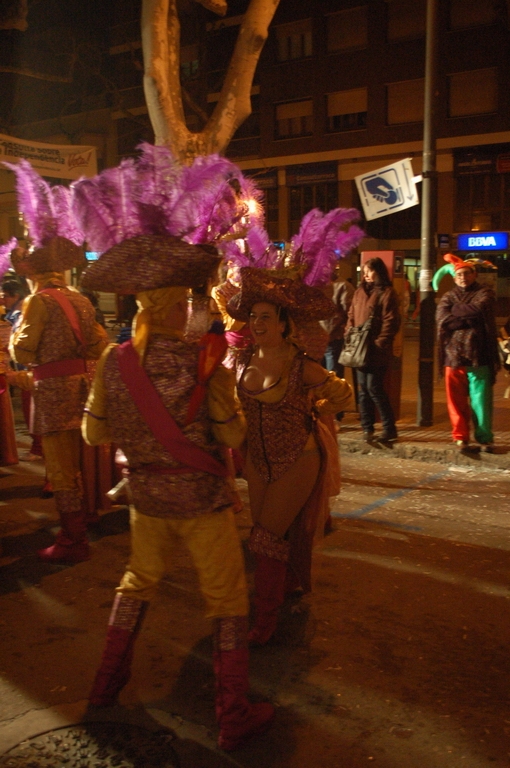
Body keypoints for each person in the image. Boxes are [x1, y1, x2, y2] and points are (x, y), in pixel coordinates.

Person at [81, 236, 274, 752]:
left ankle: (105, 685)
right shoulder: (202, 360)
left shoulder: (111, 361)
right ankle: (232, 715)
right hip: (202, 502)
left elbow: (94, 435)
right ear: (178, 306)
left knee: (137, 581)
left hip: (146, 499)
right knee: (226, 599)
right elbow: (231, 436)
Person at [227, 267, 353, 645]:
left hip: (299, 459)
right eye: (253, 316)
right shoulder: (242, 360)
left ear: (284, 325)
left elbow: (345, 396)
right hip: (258, 461)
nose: (257, 322)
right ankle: (285, 588)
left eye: (267, 316)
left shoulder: (302, 366)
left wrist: (315, 409)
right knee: (268, 534)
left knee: (264, 537)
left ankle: (264, 622)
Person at [9, 240, 108, 562]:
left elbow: (22, 351)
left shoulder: (38, 301)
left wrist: (14, 339)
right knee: (82, 461)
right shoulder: (80, 299)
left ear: (33, 272)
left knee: (61, 470)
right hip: (81, 388)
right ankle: (86, 519)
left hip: (52, 392)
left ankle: (72, 539)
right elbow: (96, 345)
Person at [436, 253, 500, 453]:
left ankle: (484, 436)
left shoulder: (485, 293)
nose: (463, 278)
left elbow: (480, 310)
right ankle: (460, 436)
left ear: (474, 275)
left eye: (467, 274)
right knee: (455, 401)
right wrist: (468, 317)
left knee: (481, 400)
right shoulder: (448, 297)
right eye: (460, 275)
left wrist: (456, 312)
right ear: (455, 278)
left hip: (478, 355)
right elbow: (443, 320)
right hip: (452, 356)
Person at [346, 257, 401, 443]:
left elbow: (391, 321)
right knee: (362, 390)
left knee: (374, 388)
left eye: (369, 270)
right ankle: (367, 428)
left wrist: (381, 342)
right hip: (359, 348)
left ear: (378, 271)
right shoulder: (359, 292)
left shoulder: (387, 293)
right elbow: (351, 315)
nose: (366, 274)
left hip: (376, 349)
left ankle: (389, 428)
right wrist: (349, 334)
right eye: (364, 270)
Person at [320, 268, 355, 421]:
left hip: (333, 339)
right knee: (317, 377)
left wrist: (340, 329)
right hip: (316, 339)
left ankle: (336, 415)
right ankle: (321, 412)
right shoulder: (316, 285)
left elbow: (349, 313)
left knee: (333, 376)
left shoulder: (343, 286)